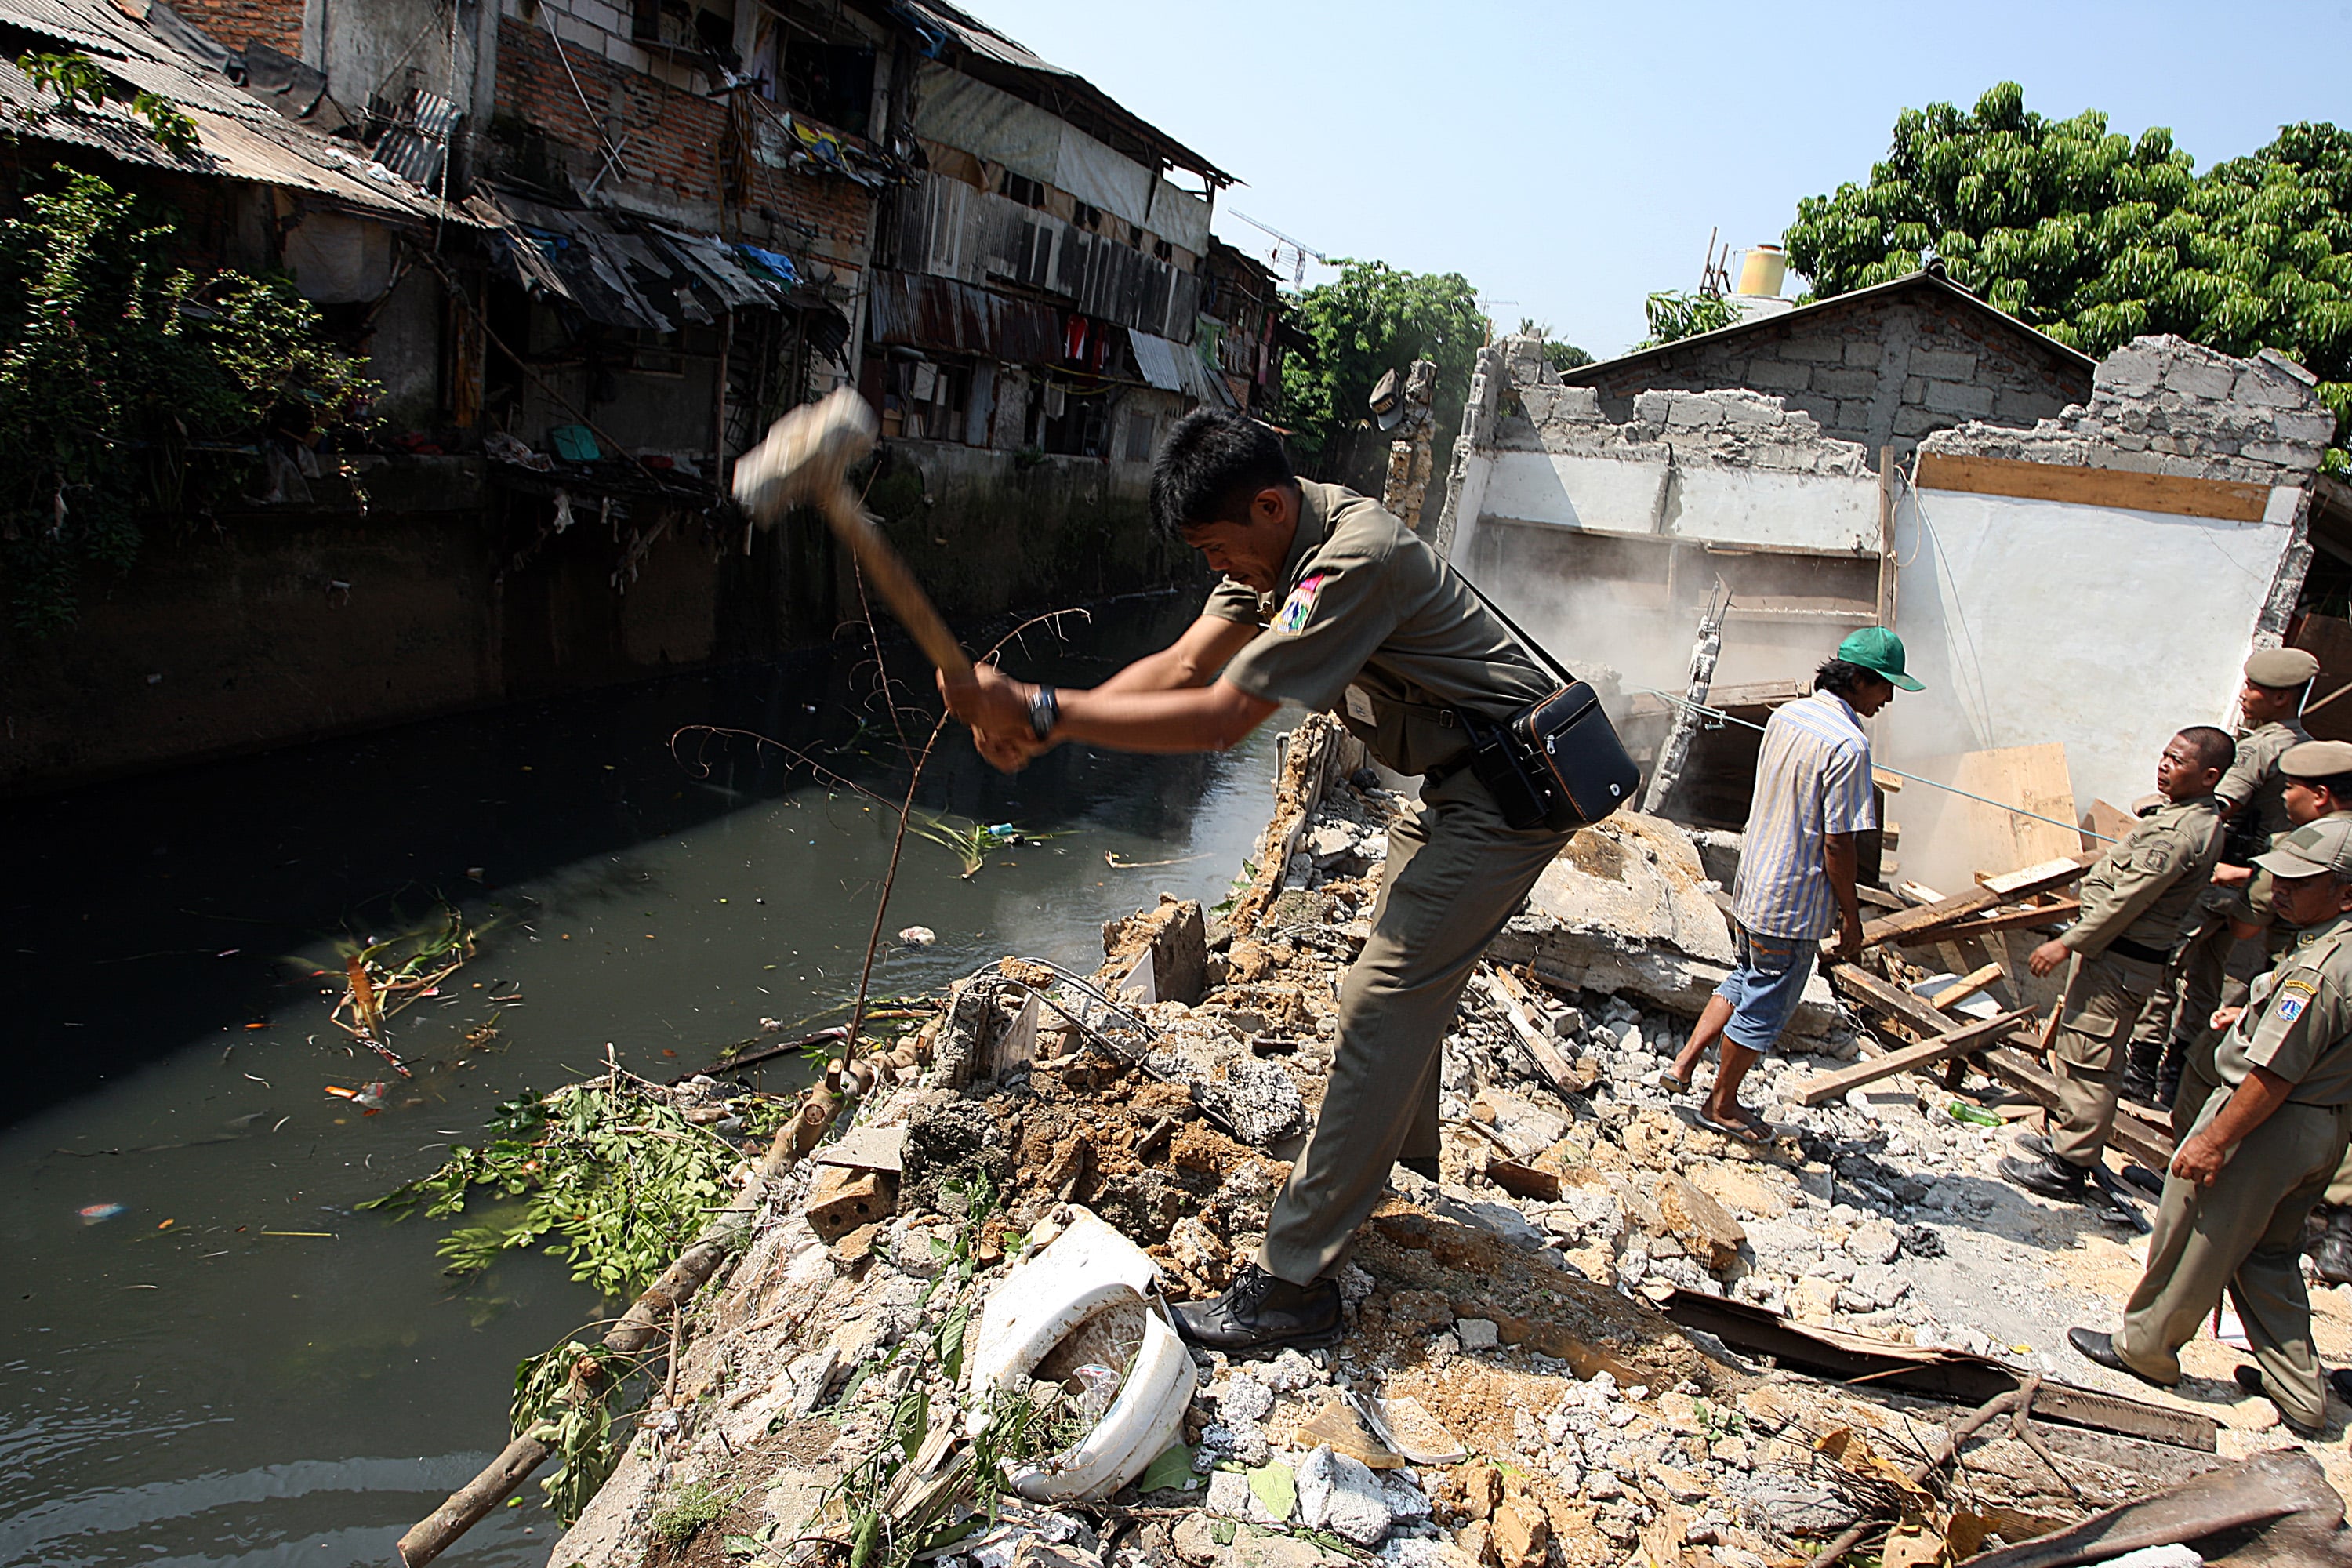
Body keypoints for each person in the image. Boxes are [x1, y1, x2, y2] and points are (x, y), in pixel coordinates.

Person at [940, 411, 1575, 1353]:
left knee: (1382, 993)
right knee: (1403, 973)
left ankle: (1295, 1284)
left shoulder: (1348, 559)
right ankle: (1401, 1160)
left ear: (1272, 506)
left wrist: (1044, 710)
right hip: (1457, 785)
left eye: (1215, 548)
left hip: (1512, 793)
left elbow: (1222, 720)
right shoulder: (1274, 555)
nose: (1214, 571)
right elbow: (1184, 663)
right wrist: (1045, 720)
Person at [2067, 815, 2352, 1436]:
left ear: (2345, 892)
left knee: (2195, 1231)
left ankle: (2146, 1347)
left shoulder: (2321, 967)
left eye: (2302, 883)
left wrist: (2216, 1138)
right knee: (2268, 1255)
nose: (2282, 891)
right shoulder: (2338, 951)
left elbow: (2274, 1072)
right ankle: (2300, 1391)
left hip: (2267, 1121)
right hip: (2324, 1126)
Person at [1663, 630, 1920, 1142]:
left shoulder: (1787, 716)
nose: (1888, 700)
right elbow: (1838, 845)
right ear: (1861, 680)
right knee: (1766, 1002)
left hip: (1754, 884)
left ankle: (1684, 1064)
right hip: (1793, 902)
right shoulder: (1849, 745)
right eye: (1885, 687)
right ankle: (1723, 1105)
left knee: (1743, 977)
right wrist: (1850, 914)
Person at [1998, 729, 2231, 1202]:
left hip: (2120, 960)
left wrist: (2067, 943)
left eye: (2177, 760)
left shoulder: (2182, 834)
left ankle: (2068, 1168)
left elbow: (2128, 899)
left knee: (2091, 1058)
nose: (2164, 764)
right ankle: (2069, 1141)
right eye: (2164, 754)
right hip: (2117, 957)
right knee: (2082, 1049)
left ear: (2209, 775)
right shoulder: (2180, 816)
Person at [2154, 648, 2318, 1105]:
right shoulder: (2304, 747)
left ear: (2281, 697)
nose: (2244, 696)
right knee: (2212, 979)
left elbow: (2215, 806)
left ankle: (2143, 1068)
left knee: (2161, 959)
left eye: (2253, 689)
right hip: (2265, 884)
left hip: (2227, 878)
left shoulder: (2259, 747)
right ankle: (2181, 1074)